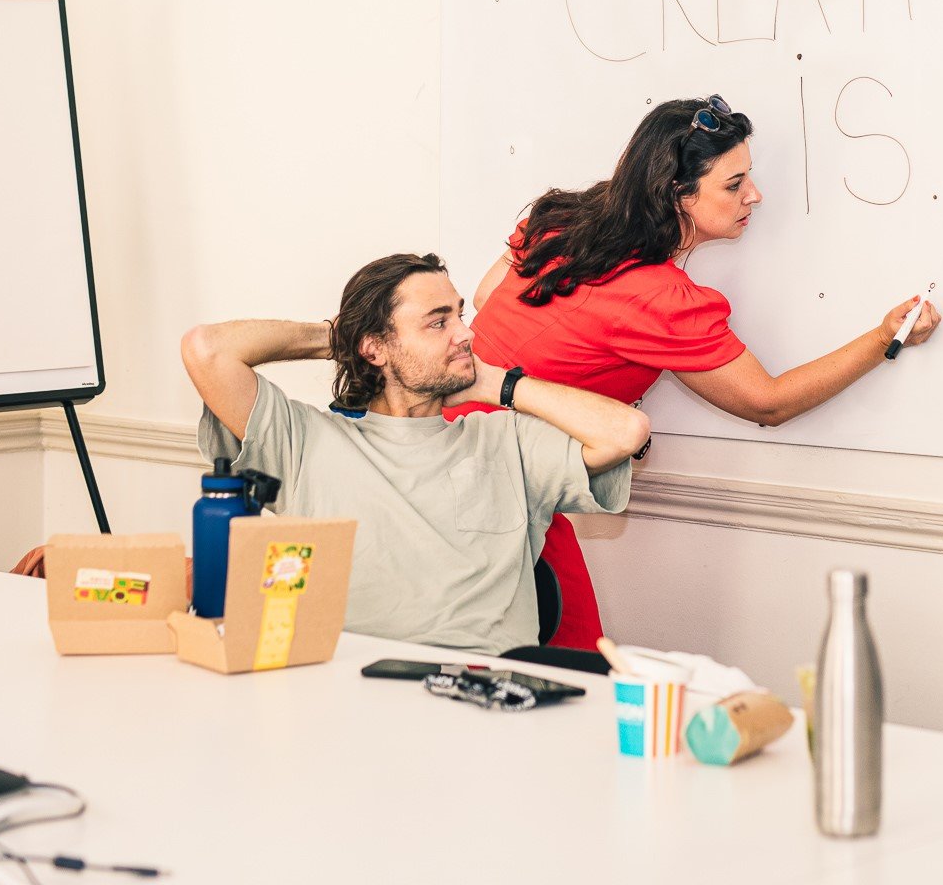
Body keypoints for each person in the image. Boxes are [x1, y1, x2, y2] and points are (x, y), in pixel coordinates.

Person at [454, 94, 940, 650]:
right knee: (571, 665)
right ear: (677, 195)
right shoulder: (663, 300)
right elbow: (768, 402)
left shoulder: (563, 220)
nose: (754, 195)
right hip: (499, 493)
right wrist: (883, 338)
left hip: (444, 449)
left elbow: (488, 295)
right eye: (733, 185)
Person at [180, 251, 649, 657]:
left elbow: (625, 432)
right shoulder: (302, 441)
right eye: (438, 322)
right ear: (376, 347)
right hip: (348, 689)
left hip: (482, 694)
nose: (465, 333)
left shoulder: (506, 440)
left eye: (460, 317)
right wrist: (341, 339)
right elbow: (207, 349)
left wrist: (495, 383)